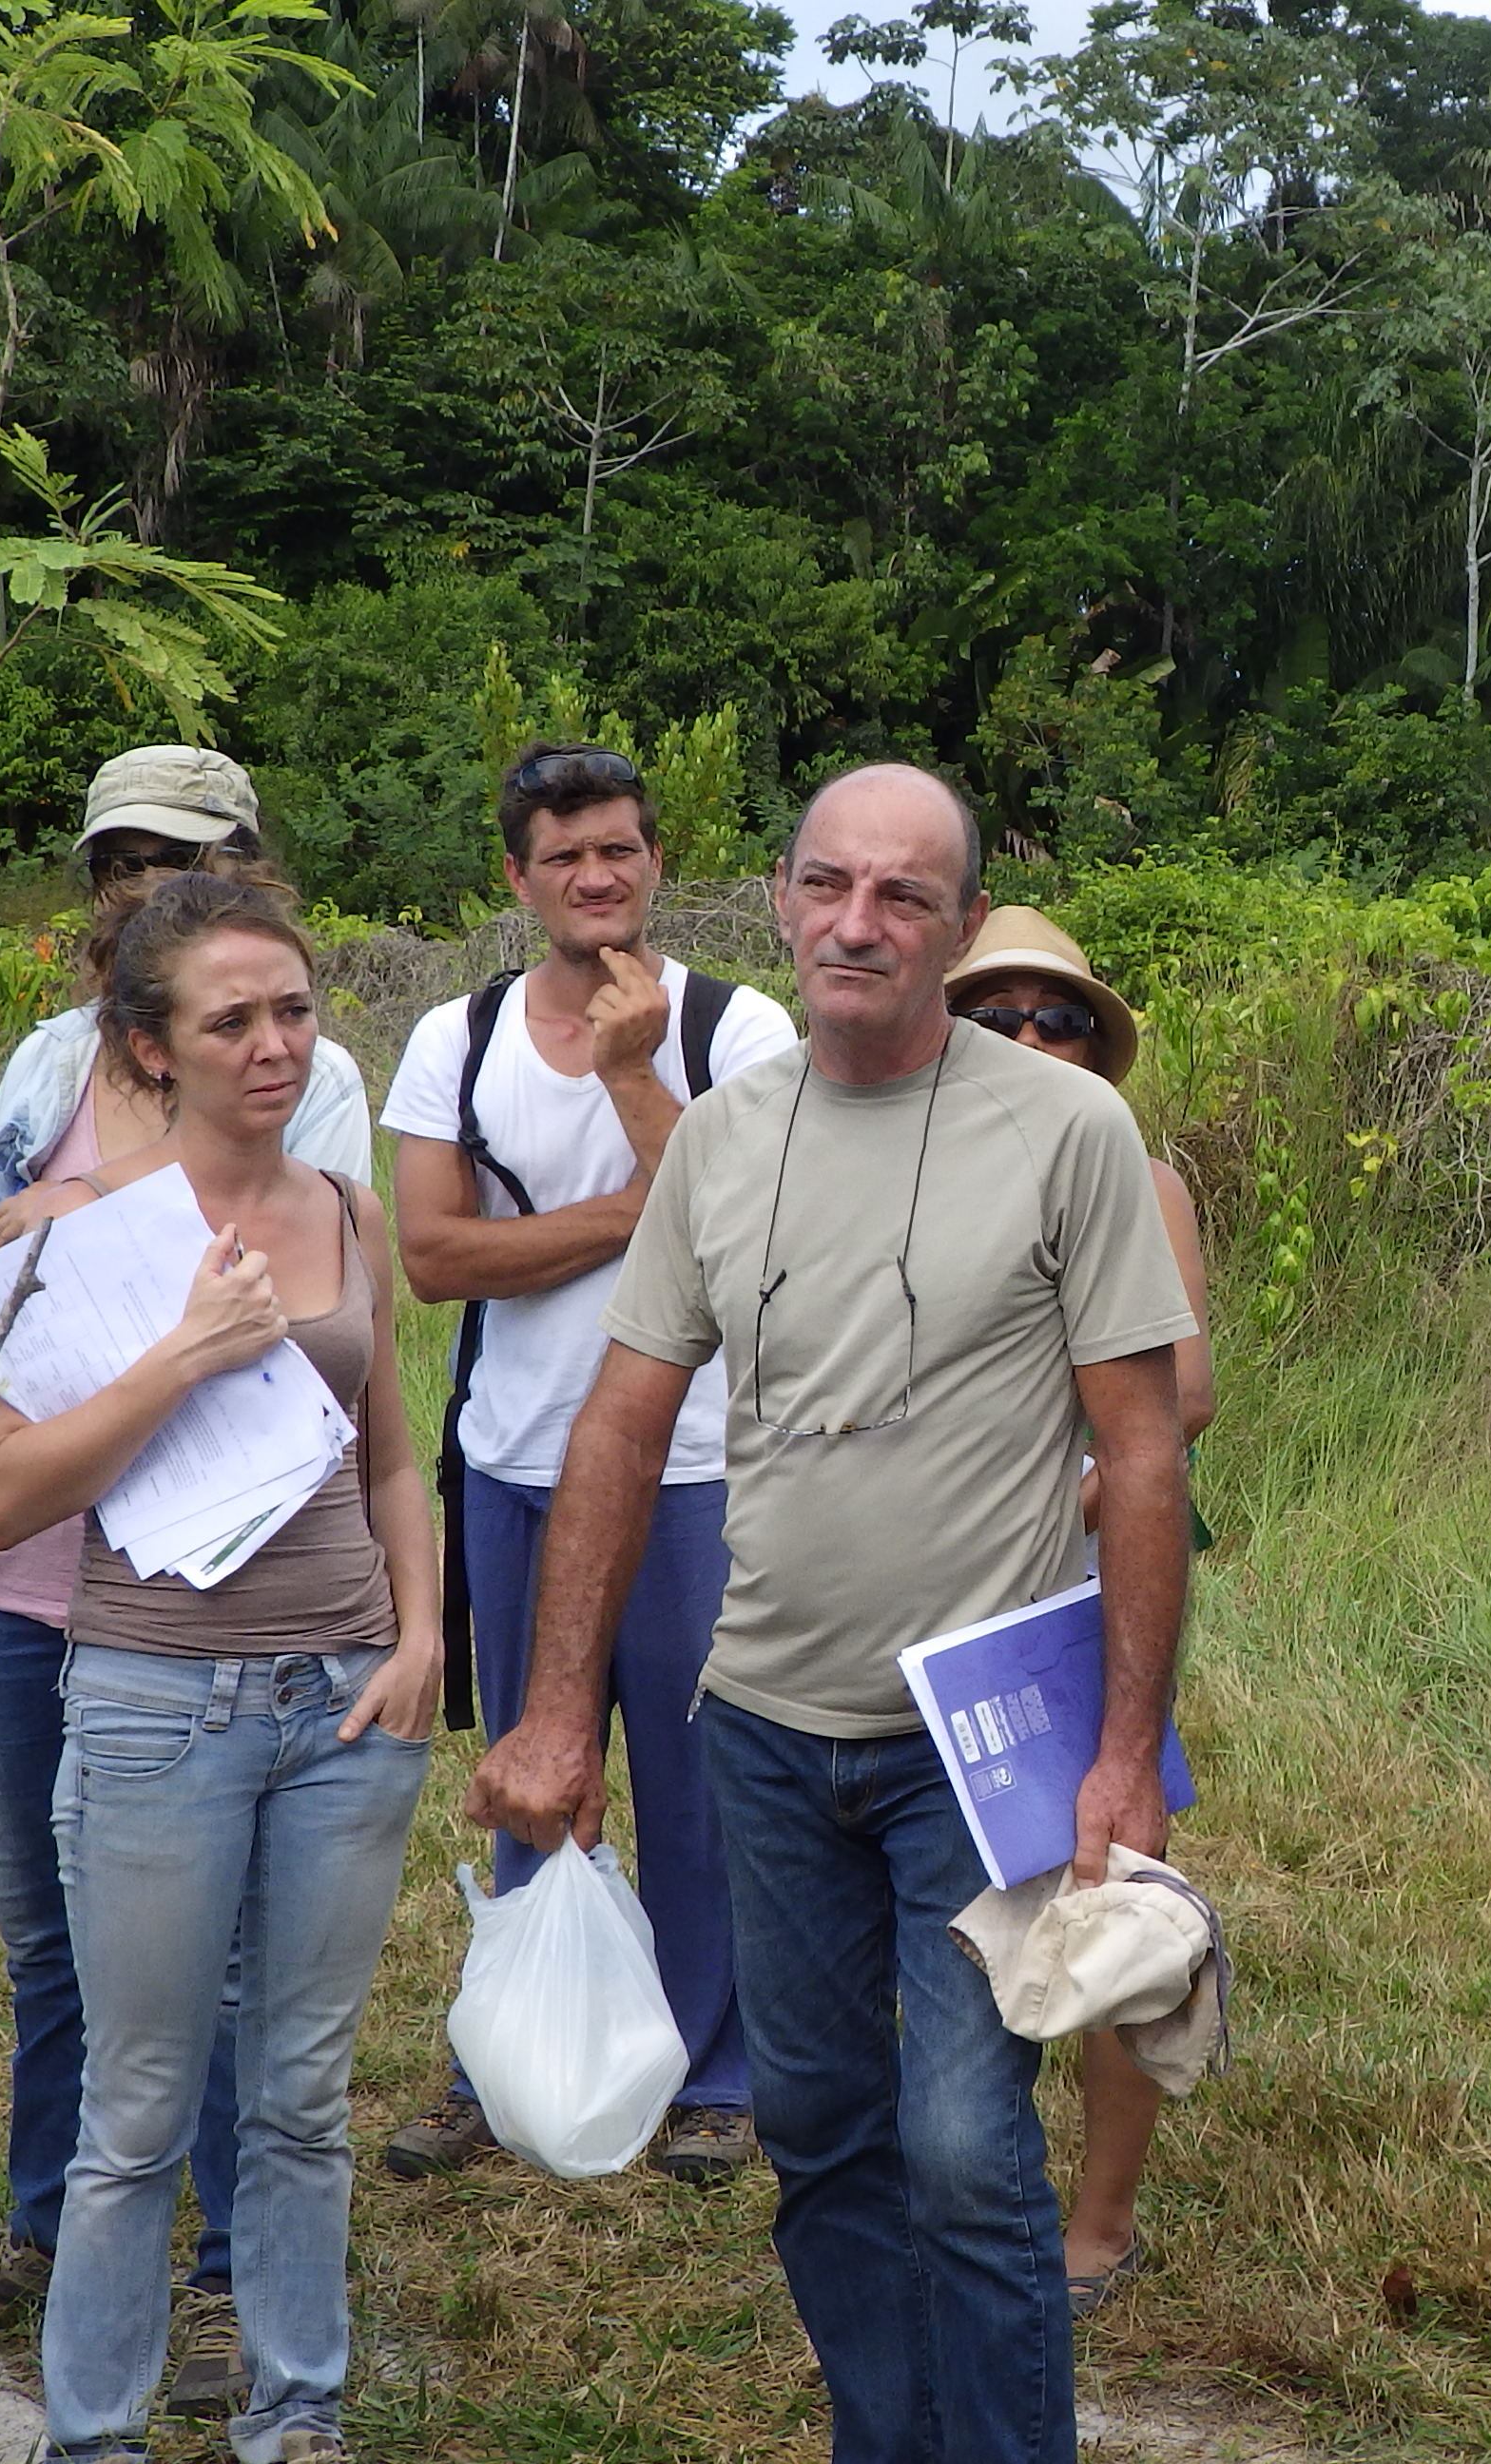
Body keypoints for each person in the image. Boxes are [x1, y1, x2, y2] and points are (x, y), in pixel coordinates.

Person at [465, 764, 1200, 2464]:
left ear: (953, 929)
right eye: (830, 886)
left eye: (904, 898)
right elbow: (626, 1419)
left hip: (979, 1736)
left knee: (960, 2143)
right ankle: (893, 2434)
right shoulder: (725, 1134)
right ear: (784, 897)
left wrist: (1126, 1756)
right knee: (815, 2121)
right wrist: (562, 1709)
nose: (858, 924)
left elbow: (1143, 1450)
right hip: (770, 1731)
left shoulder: (1066, 1130)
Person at [0, 749, 372, 2419]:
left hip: (246, 1626)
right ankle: (57, 2269)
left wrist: (414, 1622)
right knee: (59, 1953)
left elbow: (351, 1387)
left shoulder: (313, 1100)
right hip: (52, 1592)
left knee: (248, 2010)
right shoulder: (41, 1077)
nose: (139, 877)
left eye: (180, 853)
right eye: (119, 854)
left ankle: (243, 2305)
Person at [0, 867, 440, 2464]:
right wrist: (182, 1354)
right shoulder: (72, 1236)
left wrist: (422, 1638)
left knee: (302, 2098)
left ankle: (295, 2416)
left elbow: (389, 1465)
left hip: (345, 1705)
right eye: (230, 1020)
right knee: (138, 2112)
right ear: (147, 1046)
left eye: (295, 1010)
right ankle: (91, 2433)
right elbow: (1, 1496)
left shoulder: (349, 1212)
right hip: (158, 1704)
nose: (274, 1047)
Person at [375, 743, 794, 2186]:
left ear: (657, 861)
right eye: (566, 857)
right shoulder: (460, 1035)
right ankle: (510, 2062)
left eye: (619, 850)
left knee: (698, 1783)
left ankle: (714, 2075)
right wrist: (641, 1211)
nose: (597, 877)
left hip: (695, 1465)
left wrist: (631, 1075)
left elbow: (745, 1241)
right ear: (517, 878)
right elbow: (433, 1258)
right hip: (511, 1456)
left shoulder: (739, 1029)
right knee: (527, 1777)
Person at [939, 906, 1215, 2312]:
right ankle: (958, 2179)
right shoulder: (908, 1163)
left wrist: (1078, 1463)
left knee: (1106, 1885)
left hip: (1084, 1583)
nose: (1032, 1041)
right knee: (951, 1893)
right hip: (942, 1595)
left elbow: (1188, 1393)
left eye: (1058, 1020)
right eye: (999, 1018)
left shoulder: (1136, 1175)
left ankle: (1098, 2223)